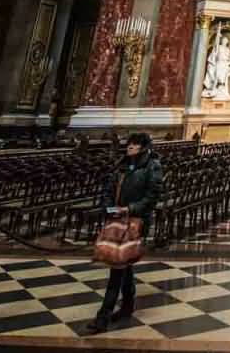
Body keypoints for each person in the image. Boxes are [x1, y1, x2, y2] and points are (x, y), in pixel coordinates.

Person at [87, 132, 163, 334]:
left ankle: (103, 316)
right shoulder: (121, 165)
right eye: (129, 144)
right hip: (116, 219)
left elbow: (152, 196)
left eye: (135, 145)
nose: (130, 147)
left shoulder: (152, 166)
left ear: (144, 148)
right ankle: (127, 305)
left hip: (135, 220)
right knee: (124, 264)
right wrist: (107, 206)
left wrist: (130, 209)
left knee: (117, 267)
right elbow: (109, 189)